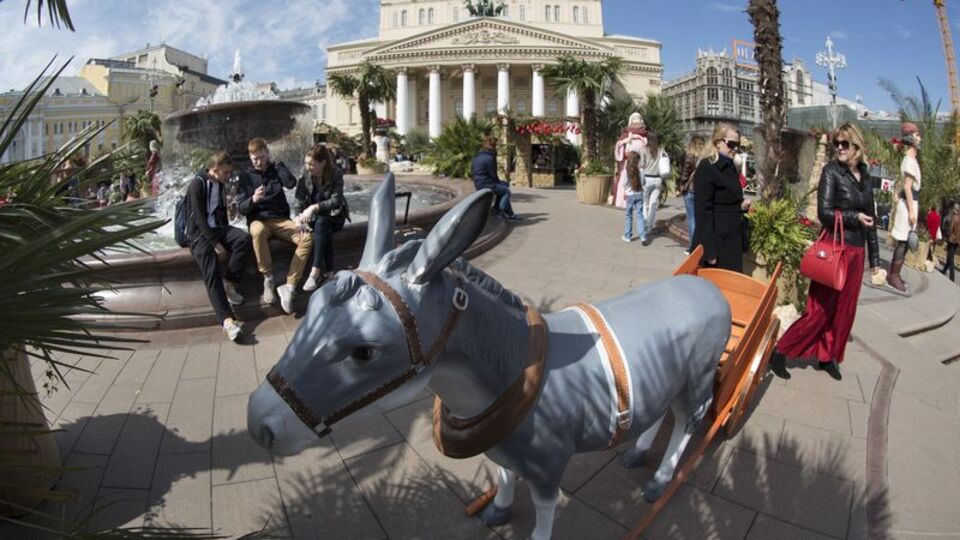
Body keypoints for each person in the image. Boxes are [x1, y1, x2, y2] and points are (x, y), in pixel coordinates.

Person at [772, 123, 880, 381]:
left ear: (857, 146)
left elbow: (872, 219)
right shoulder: (831, 172)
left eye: (845, 144)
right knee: (819, 309)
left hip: (856, 252)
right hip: (835, 249)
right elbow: (825, 213)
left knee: (845, 310)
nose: (840, 149)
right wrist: (855, 217)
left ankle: (827, 356)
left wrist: (875, 260)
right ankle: (780, 350)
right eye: (837, 144)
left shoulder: (865, 176)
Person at [236, 137, 314, 314]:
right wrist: (253, 200)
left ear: (267, 154)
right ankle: (268, 279)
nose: (259, 162)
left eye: (262, 157)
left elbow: (291, 184)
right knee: (257, 232)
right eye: (255, 158)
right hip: (258, 220)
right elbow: (241, 208)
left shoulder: (276, 168)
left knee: (307, 238)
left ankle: (290, 285)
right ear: (250, 157)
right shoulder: (246, 176)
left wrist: (278, 166)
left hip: (280, 219)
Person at [184, 152, 252, 342]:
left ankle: (230, 283)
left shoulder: (220, 183)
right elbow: (198, 218)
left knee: (244, 239)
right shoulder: (197, 184)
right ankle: (227, 321)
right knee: (211, 267)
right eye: (226, 172)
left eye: (229, 173)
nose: (229, 176)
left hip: (218, 228)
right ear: (215, 169)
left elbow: (219, 212)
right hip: (198, 234)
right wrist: (215, 243)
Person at [691, 123, 750, 273]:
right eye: (731, 144)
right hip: (716, 242)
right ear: (718, 142)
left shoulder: (731, 166)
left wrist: (740, 207)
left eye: (738, 144)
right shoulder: (707, 167)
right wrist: (709, 250)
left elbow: (726, 202)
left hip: (731, 239)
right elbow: (703, 212)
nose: (735, 148)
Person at [295, 144, 350, 292]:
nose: (308, 167)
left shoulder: (336, 173)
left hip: (335, 215)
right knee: (321, 225)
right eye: (306, 163)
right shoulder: (305, 174)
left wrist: (314, 207)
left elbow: (336, 201)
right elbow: (298, 199)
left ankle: (315, 272)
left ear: (323, 162)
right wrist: (298, 217)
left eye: (312, 164)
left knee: (322, 223)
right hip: (317, 220)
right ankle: (330, 273)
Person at [887, 122, 922, 292]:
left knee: (906, 242)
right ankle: (893, 276)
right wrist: (912, 211)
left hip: (910, 203)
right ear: (910, 138)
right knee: (902, 242)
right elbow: (908, 187)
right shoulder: (909, 160)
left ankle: (896, 273)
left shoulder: (912, 160)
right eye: (917, 135)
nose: (920, 138)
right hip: (908, 205)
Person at [471, 136, 521, 221]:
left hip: (479, 183)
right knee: (506, 191)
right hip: (486, 184)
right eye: (496, 146)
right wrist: (500, 183)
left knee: (504, 187)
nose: (497, 147)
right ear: (492, 146)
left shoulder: (478, 157)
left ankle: (509, 213)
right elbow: (493, 175)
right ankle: (500, 210)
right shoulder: (489, 158)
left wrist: (500, 183)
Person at [611, 112, 647, 208]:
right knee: (625, 182)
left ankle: (638, 203)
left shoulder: (644, 136)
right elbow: (619, 147)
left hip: (640, 164)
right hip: (628, 163)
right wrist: (625, 141)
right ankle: (625, 202)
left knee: (639, 182)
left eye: (638, 119)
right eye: (634, 119)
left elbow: (647, 150)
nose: (636, 121)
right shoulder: (625, 134)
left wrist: (639, 137)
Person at [679, 135, 706, 254]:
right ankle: (700, 245)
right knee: (699, 218)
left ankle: (692, 246)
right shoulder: (706, 157)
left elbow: (685, 172)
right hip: (702, 191)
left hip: (690, 190)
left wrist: (681, 184)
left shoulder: (690, 156)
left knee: (691, 219)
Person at [641, 132, 669, 241]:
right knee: (653, 204)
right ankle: (649, 227)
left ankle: (644, 222)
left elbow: (641, 165)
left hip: (647, 179)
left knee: (644, 202)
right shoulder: (662, 150)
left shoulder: (644, 150)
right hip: (658, 180)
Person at [622, 151, 645, 243]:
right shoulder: (641, 171)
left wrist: (625, 191)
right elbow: (643, 182)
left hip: (630, 195)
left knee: (629, 215)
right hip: (639, 194)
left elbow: (624, 183)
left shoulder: (626, 171)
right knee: (640, 215)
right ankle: (642, 235)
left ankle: (628, 236)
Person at [941, 200, 960, 281]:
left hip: (952, 240)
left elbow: (950, 228)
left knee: (951, 257)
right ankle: (944, 270)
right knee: (950, 256)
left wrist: (948, 234)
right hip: (958, 241)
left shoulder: (954, 217)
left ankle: (952, 277)